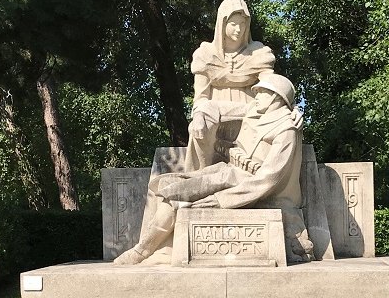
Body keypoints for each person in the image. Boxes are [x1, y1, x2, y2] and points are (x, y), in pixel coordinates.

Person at [115, 74, 313, 266]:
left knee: (179, 195)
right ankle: (143, 248)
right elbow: (214, 107)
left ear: (275, 97)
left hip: (248, 186)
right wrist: (200, 116)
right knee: (173, 186)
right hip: (229, 171)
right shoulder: (255, 110)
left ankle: (142, 250)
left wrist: (221, 200)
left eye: (261, 92)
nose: (256, 96)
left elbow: (268, 179)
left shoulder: (286, 129)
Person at [186, 0, 275, 172]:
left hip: (251, 114)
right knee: (199, 128)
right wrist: (198, 117)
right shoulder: (205, 54)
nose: (239, 29)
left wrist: (288, 106)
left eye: (242, 24)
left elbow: (271, 88)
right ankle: (199, 179)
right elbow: (201, 98)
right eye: (234, 24)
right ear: (222, 23)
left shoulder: (258, 52)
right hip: (215, 115)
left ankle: (266, 186)